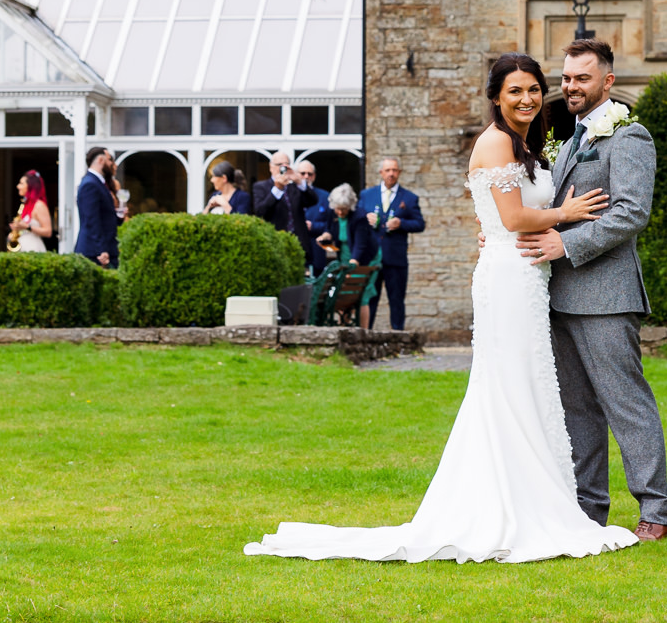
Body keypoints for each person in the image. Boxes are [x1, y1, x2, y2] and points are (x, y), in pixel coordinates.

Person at [244, 51, 632, 564]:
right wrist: (567, 212)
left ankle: (535, 496)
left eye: (534, 89)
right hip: (511, 277)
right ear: (496, 97)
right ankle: (512, 506)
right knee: (511, 386)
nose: (527, 98)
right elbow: (514, 218)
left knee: (526, 385)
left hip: (526, 277)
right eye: (515, 91)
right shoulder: (495, 142)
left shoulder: (525, 144)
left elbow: (501, 216)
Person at [516, 38, 667, 541]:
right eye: (565, 78)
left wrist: (568, 246)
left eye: (581, 79)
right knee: (577, 409)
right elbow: (548, 209)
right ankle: (589, 512)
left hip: (605, 296)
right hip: (558, 297)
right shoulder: (568, 140)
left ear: (607, 81)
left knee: (625, 402)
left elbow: (631, 212)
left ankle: (658, 511)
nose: (570, 87)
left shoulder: (629, 136)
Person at [358, 157, 426, 331]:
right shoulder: (367, 195)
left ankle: (398, 336)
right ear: (381, 172)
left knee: (396, 299)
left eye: (394, 170)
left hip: (395, 258)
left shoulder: (409, 198)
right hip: (372, 258)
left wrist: (401, 223)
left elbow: (420, 224)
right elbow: (355, 221)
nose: (391, 174)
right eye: (388, 170)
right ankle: (366, 334)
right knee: (370, 299)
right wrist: (365, 219)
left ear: (399, 173)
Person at [254, 154, 316, 273]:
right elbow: (260, 211)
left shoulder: (295, 186)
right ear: (271, 167)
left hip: (298, 246)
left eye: (286, 164)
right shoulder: (261, 187)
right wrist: (277, 189)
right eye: (279, 165)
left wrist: (299, 181)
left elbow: (313, 200)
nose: (283, 168)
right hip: (275, 245)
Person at [73, 147, 119, 268]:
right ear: (100, 160)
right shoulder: (90, 184)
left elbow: (104, 215)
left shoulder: (99, 183)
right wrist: (101, 250)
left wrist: (118, 216)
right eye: (110, 159)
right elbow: (92, 220)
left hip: (101, 249)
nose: (112, 163)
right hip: (94, 252)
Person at [315, 183, 363, 266]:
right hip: (343, 257)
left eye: (344, 209)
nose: (340, 212)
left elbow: (360, 245)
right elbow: (329, 228)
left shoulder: (359, 217)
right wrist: (325, 236)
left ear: (350, 206)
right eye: (338, 209)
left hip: (361, 259)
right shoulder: (332, 212)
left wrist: (353, 264)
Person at [9, 170, 53, 251]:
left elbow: (48, 232)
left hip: (34, 249)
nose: (18, 186)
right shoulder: (25, 205)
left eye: (21, 183)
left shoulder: (39, 205)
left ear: (30, 186)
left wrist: (27, 227)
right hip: (22, 248)